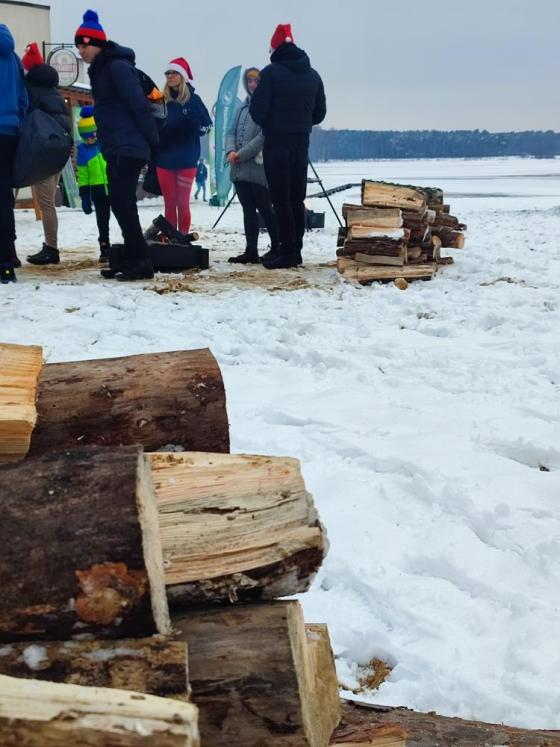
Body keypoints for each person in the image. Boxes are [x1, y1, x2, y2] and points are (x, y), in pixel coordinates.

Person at [75, 9, 159, 281]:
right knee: (120, 204)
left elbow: (138, 105)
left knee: (123, 203)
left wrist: (152, 141)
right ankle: (132, 259)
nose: (80, 51)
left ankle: (141, 262)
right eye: (78, 46)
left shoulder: (116, 67)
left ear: (97, 44)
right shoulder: (101, 70)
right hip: (116, 146)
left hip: (128, 145)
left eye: (84, 45)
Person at [250, 23, 326, 269]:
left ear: (274, 50)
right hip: (301, 143)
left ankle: (288, 251)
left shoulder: (270, 74)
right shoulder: (313, 75)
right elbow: (320, 114)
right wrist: (301, 123)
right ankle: (295, 248)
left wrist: (274, 123)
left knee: (281, 199)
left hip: (277, 143)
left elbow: (257, 111)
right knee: (296, 198)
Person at [21, 43, 73, 266]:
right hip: (60, 151)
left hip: (43, 152)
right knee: (48, 201)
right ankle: (51, 246)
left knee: (46, 203)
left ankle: (51, 249)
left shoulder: (29, 91)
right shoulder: (55, 92)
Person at [225, 67, 279, 265]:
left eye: (256, 81)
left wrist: (241, 155)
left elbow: (264, 136)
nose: (253, 85)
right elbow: (230, 132)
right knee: (248, 210)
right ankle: (251, 251)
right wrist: (230, 152)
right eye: (249, 81)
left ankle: (277, 247)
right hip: (239, 169)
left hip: (258, 168)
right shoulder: (241, 108)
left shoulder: (268, 106)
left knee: (265, 208)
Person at [155, 57, 212, 235]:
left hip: (187, 160)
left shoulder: (193, 100)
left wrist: (194, 122)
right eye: (167, 73)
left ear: (183, 76)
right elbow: (152, 125)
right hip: (164, 160)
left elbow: (207, 126)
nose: (170, 76)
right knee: (170, 203)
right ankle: (171, 239)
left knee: (182, 203)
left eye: (174, 73)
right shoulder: (161, 100)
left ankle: (183, 238)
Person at [0, 24, 27, 283]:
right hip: (8, 133)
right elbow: (23, 98)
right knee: (4, 197)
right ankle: (7, 261)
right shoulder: (14, 57)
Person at [76, 106, 111, 262]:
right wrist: (85, 197)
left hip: (112, 186)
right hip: (97, 191)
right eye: (86, 138)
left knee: (123, 217)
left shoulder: (104, 145)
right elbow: (83, 176)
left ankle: (130, 242)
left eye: (92, 136)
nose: (90, 140)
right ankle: (104, 245)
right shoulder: (83, 151)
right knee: (102, 220)